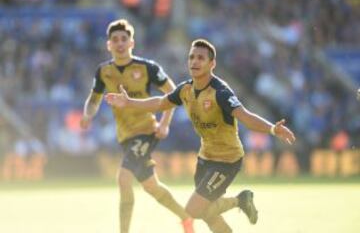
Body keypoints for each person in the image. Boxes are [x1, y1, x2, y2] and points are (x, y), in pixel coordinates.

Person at [105, 39, 296, 233]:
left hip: (227, 160)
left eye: (201, 58)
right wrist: (129, 102)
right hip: (205, 158)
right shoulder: (185, 89)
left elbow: (245, 116)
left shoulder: (220, 92)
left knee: (193, 210)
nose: (194, 62)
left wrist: (273, 129)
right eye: (192, 57)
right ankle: (240, 203)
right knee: (209, 215)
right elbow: (160, 103)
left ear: (212, 64)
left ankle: (240, 200)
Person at [80, 19, 194, 233]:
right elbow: (93, 99)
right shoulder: (104, 71)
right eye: (115, 39)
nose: (120, 43)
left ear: (132, 42)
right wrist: (88, 114)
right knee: (152, 187)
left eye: (124, 39)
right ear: (109, 45)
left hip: (146, 130)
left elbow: (173, 94)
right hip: (125, 137)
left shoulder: (147, 68)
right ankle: (186, 218)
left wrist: (164, 123)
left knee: (123, 178)